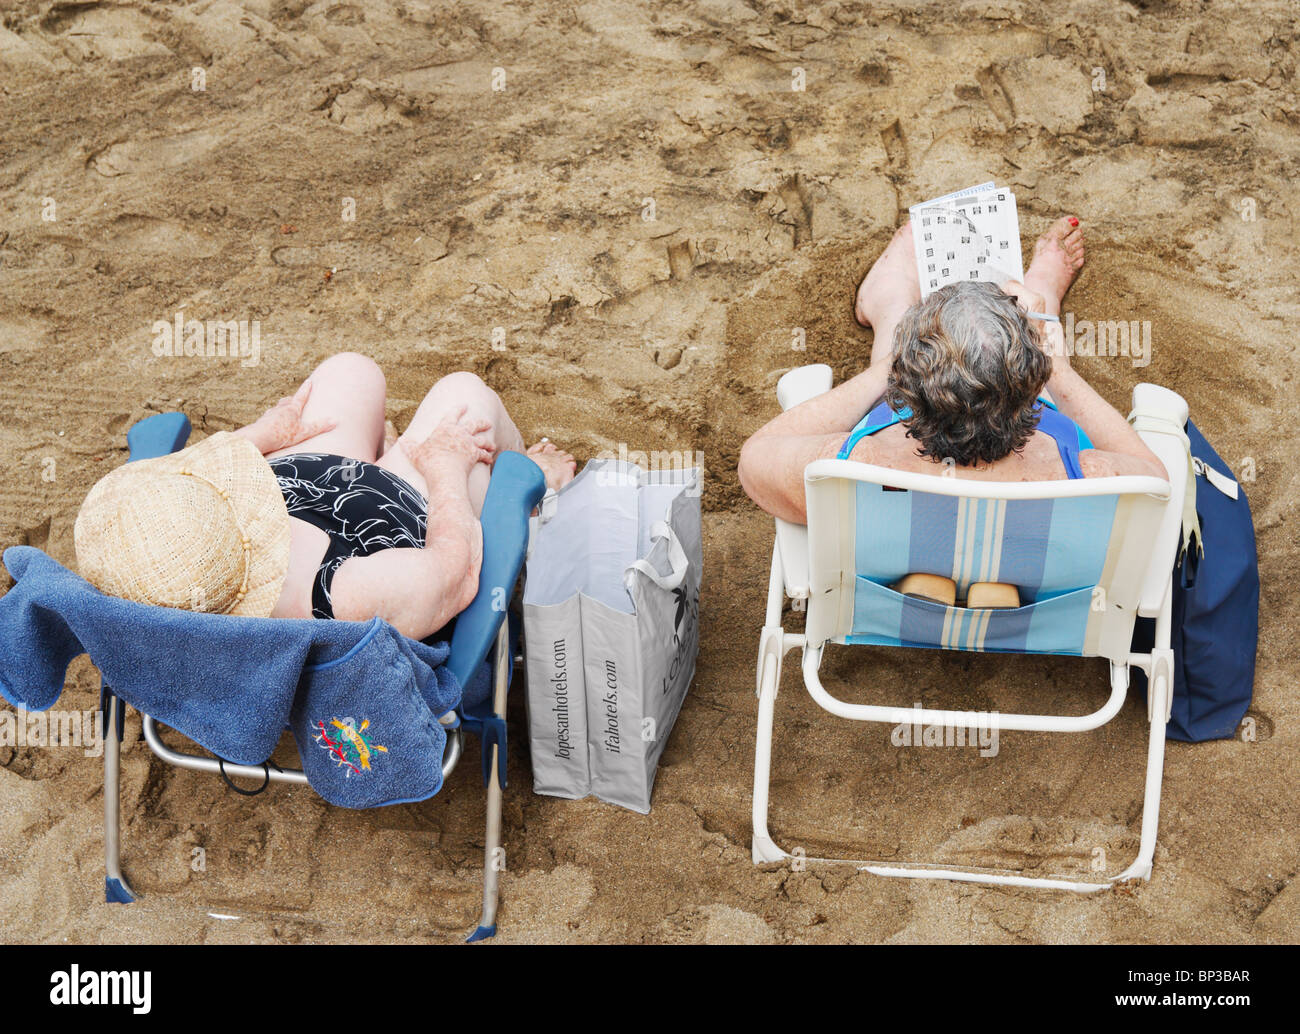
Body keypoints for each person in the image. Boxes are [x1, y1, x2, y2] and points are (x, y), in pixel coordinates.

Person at [74, 356, 576, 641]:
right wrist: (444, 465)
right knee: (465, 395)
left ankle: (385, 447)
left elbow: (176, 476)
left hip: (293, 479)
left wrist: (263, 434)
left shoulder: (152, 556)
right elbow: (455, 572)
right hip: (407, 505)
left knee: (350, 371)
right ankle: (534, 482)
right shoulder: (341, 597)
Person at [738, 217, 1168, 523]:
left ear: (907, 393)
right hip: (1034, 549)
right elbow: (1156, 485)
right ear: (1029, 389)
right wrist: (1056, 369)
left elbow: (755, 459)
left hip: (897, 568)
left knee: (909, 345)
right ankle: (1043, 303)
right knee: (1006, 382)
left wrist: (891, 366)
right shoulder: (1083, 478)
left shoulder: (852, 470)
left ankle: (891, 306)